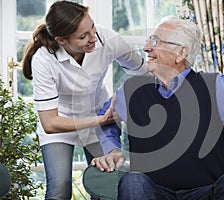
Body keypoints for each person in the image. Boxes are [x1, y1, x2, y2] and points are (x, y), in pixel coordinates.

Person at [91, 16, 224, 200]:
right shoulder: (131, 89)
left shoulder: (217, 87)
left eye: (155, 41)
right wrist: (112, 149)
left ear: (180, 53)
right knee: (133, 181)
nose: (146, 48)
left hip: (207, 192)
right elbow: (105, 117)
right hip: (152, 191)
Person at [21, 1, 145, 199]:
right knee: (59, 188)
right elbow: (50, 123)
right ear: (61, 40)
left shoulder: (107, 39)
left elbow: (142, 70)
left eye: (92, 27)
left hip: (98, 118)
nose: (93, 37)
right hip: (61, 124)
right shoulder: (43, 59)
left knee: (106, 185)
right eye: (82, 36)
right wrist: (101, 119)